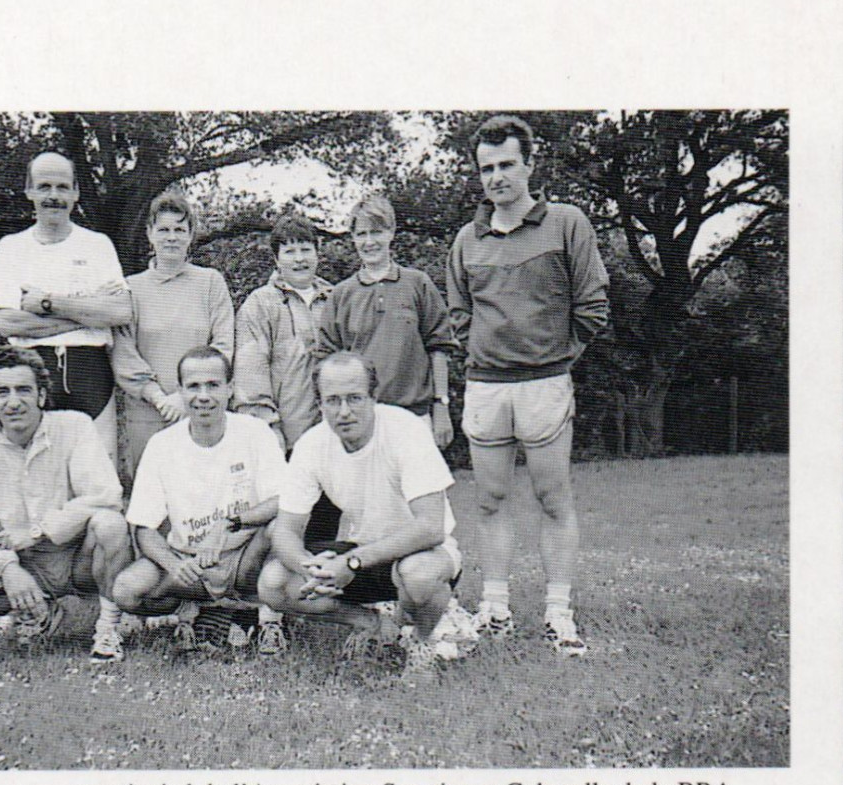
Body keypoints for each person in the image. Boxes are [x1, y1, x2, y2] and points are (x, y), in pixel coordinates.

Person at [446, 115, 610, 655]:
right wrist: (486, 355)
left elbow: (592, 308)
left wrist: (555, 359)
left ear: (530, 165)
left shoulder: (566, 223)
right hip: (486, 387)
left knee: (552, 496)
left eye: (506, 165)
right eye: (487, 168)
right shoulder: (467, 239)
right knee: (490, 499)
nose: (497, 177)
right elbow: (459, 313)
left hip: (545, 385)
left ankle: (558, 613)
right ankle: (495, 608)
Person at [258, 352, 467, 670]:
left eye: (355, 398)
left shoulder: (405, 430)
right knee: (272, 583)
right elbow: (286, 530)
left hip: (422, 552)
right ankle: (373, 625)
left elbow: (430, 527)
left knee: (419, 577)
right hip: (361, 552)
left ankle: (422, 642)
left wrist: (352, 562)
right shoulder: (312, 444)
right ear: (320, 405)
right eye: (333, 401)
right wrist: (309, 567)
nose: (344, 411)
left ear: (373, 397)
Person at [0, 345, 132, 662]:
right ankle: (39, 610)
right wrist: (7, 569)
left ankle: (109, 629)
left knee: (110, 524)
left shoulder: (75, 426)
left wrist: (41, 530)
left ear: (41, 395)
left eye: (23, 390)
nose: (13, 402)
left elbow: (106, 495)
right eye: (2, 392)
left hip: (78, 559)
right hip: (25, 564)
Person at [112, 347, 288, 654]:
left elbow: (283, 500)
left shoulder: (256, 432)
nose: (203, 396)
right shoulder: (162, 445)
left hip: (243, 557)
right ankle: (194, 608)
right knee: (126, 591)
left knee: (279, 529)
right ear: (180, 391)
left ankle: (269, 618)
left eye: (213, 385)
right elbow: (143, 527)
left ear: (230, 389)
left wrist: (229, 524)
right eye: (193, 386)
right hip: (188, 560)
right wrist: (172, 564)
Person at [0, 151, 130, 468]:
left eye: (63, 187)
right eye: (45, 186)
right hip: (32, 367)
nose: (54, 196)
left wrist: (47, 304)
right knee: (38, 469)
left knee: (98, 469)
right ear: (30, 191)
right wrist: (86, 313)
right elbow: (8, 322)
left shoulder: (97, 244)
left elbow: (120, 311)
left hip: (90, 370)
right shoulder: (11, 247)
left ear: (76, 192)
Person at [311, 194, 458, 448]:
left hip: (414, 416)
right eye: (362, 234)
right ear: (353, 238)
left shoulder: (418, 283)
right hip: (360, 420)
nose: (369, 242)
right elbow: (326, 360)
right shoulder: (341, 294)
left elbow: (440, 348)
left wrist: (441, 404)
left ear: (391, 232)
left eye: (376, 232)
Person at [111, 191, 236, 479]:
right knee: (152, 498)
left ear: (191, 235)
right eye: (163, 230)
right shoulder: (130, 288)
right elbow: (124, 352)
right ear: (150, 234)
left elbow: (222, 345)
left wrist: (186, 397)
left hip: (201, 407)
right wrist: (159, 398)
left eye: (180, 230)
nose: (171, 237)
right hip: (148, 412)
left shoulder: (210, 283)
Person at [236, 214, 338, 453]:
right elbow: (251, 373)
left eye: (305, 249)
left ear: (317, 252)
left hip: (335, 437)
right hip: (286, 440)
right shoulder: (260, 304)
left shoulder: (336, 300)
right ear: (276, 258)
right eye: (290, 252)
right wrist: (267, 431)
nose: (299, 259)